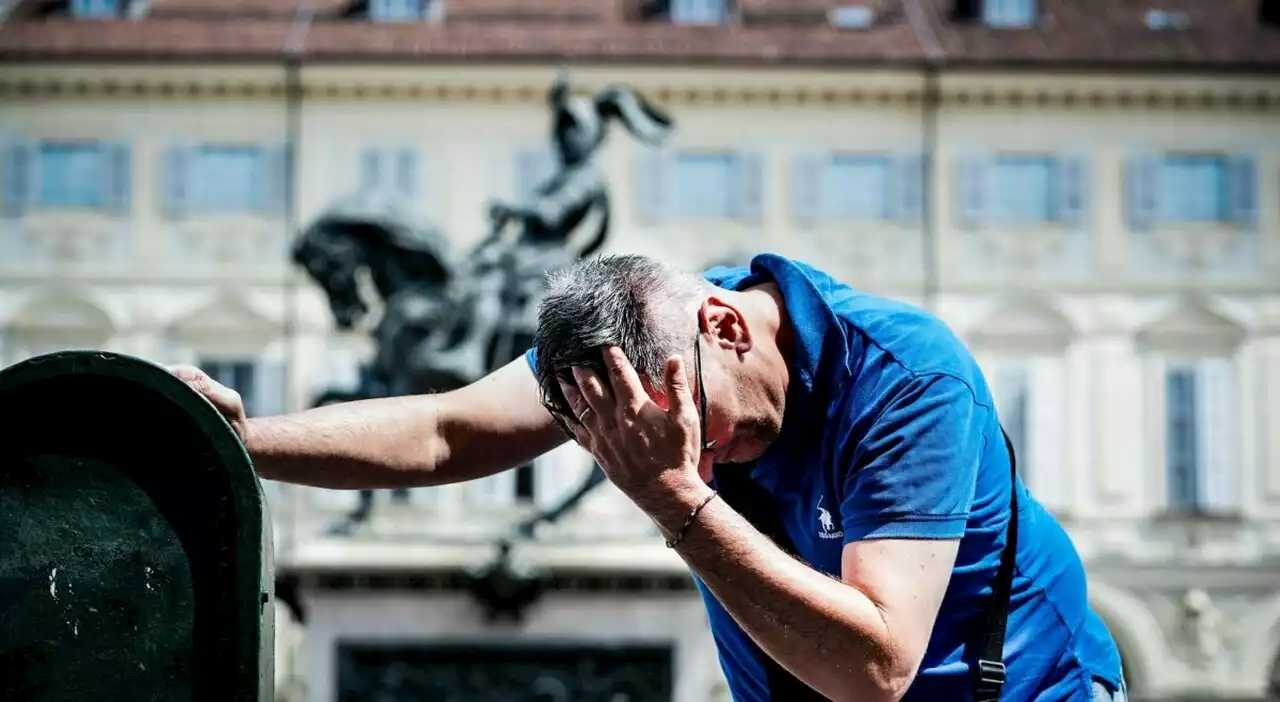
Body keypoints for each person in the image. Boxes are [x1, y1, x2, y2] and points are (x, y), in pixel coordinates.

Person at [172, 252, 1127, 702]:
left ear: (726, 325)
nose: (698, 462)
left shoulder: (907, 377)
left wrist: (671, 495)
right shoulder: (639, 349)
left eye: (693, 432)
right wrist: (244, 442)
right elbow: (443, 429)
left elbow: (875, 666)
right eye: (634, 445)